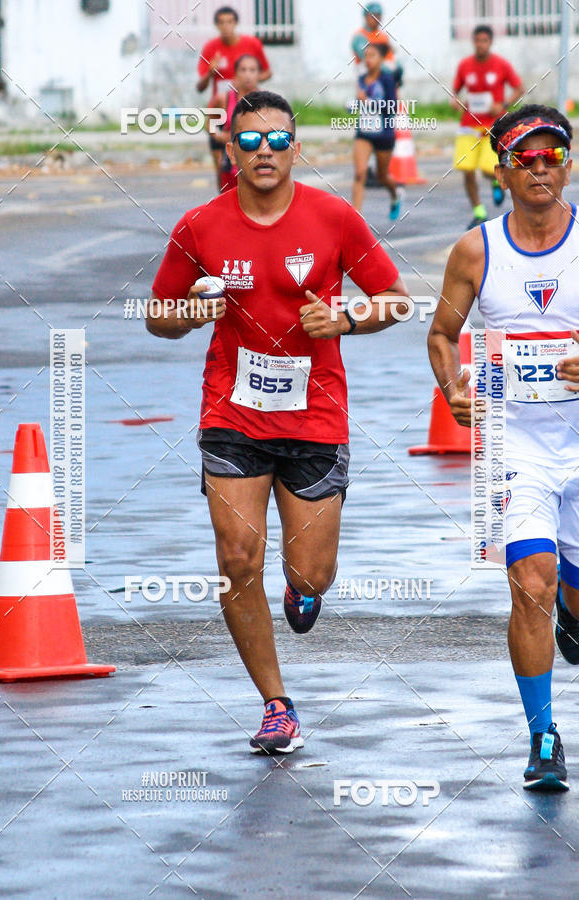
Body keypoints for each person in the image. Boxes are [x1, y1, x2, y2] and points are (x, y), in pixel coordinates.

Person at [146, 90, 408, 755]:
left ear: (296, 148)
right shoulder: (199, 225)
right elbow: (157, 313)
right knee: (237, 559)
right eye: (251, 141)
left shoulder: (335, 217)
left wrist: (346, 319)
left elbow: (396, 300)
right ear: (230, 149)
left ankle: (302, 590)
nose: (265, 152)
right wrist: (190, 315)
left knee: (311, 572)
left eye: (279, 140)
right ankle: (275, 704)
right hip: (232, 412)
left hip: (314, 415)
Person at [428, 104, 579, 791]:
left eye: (553, 156)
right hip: (513, 443)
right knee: (530, 582)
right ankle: (543, 736)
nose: (541, 168)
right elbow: (440, 334)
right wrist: (454, 388)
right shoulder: (476, 250)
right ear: (502, 170)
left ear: (567, 167)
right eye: (526, 157)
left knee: (568, 592)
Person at [451, 24, 524, 230]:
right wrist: (456, 101)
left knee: (487, 169)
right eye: (477, 40)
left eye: (484, 41)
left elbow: (519, 88)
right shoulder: (465, 65)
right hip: (469, 125)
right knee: (466, 169)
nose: (480, 44)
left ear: (490, 42)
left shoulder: (501, 64)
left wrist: (503, 104)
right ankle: (479, 212)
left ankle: (495, 181)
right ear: (473, 42)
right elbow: (454, 92)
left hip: (494, 126)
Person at [196, 6, 271, 188]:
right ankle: (224, 197)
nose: (226, 26)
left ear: (236, 23)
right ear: (216, 25)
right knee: (222, 169)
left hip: (247, 112)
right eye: (222, 22)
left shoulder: (251, 44)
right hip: (224, 113)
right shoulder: (211, 48)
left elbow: (267, 72)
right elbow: (200, 87)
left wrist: (248, 81)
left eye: (229, 22)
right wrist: (210, 72)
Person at [352, 43, 400, 219]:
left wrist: (368, 101)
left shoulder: (387, 80)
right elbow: (360, 102)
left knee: (382, 176)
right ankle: (356, 218)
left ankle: (395, 196)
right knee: (360, 173)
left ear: (381, 59)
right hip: (364, 132)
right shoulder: (361, 79)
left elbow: (392, 106)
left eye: (372, 55)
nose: (368, 59)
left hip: (384, 133)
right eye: (366, 55)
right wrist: (353, 104)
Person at [213, 54, 262, 193]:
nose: (248, 75)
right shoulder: (224, 98)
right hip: (231, 164)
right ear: (236, 74)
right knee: (228, 202)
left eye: (252, 70)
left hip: (259, 163)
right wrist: (218, 135)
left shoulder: (268, 101)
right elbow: (210, 120)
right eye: (243, 70)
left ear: (259, 74)